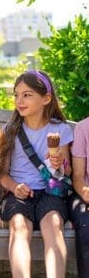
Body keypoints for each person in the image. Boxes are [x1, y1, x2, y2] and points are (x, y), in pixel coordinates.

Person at [0, 70, 73, 278]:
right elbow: (1, 174)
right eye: (16, 95)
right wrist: (14, 187)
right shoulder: (9, 131)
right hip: (19, 194)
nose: (19, 100)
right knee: (19, 228)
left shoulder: (61, 130)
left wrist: (59, 164)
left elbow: (66, 172)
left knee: (53, 225)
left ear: (46, 98)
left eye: (27, 95)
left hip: (50, 193)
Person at [67, 117, 89, 278]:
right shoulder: (83, 128)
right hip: (85, 194)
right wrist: (86, 194)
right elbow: (78, 176)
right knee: (86, 225)